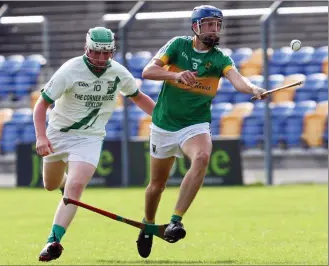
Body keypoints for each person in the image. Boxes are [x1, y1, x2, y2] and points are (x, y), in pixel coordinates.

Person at [136, 5, 267, 258]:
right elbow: (147, 72)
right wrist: (175, 76)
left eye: (217, 25)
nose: (214, 30)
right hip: (164, 124)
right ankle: (148, 225)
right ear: (195, 26)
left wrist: (253, 89)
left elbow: (238, 80)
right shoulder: (177, 46)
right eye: (208, 24)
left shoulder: (220, 58)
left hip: (195, 124)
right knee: (156, 186)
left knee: (202, 157)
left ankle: (176, 220)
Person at [34, 26, 156, 262]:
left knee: (76, 189)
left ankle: (53, 241)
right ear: (86, 49)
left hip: (89, 138)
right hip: (58, 134)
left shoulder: (118, 72)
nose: (101, 58)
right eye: (96, 52)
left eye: (106, 53)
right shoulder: (69, 70)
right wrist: (41, 137)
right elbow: (41, 105)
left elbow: (139, 97)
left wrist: (165, 121)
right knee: (51, 185)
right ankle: (64, 184)